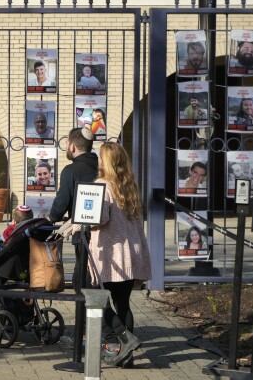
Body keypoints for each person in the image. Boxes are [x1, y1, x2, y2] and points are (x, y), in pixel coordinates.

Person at [88, 142, 152, 367]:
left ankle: (125, 338)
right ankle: (127, 356)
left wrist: (82, 221)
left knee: (96, 301)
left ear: (105, 162)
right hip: (131, 253)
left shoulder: (102, 186)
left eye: (99, 157)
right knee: (123, 303)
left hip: (110, 256)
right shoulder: (129, 186)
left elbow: (100, 219)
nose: (97, 161)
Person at [48, 128, 98, 292]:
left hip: (83, 234)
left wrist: (52, 217)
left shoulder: (71, 171)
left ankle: (101, 317)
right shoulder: (102, 168)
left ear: (72, 147)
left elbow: (61, 204)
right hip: (105, 234)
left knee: (82, 284)